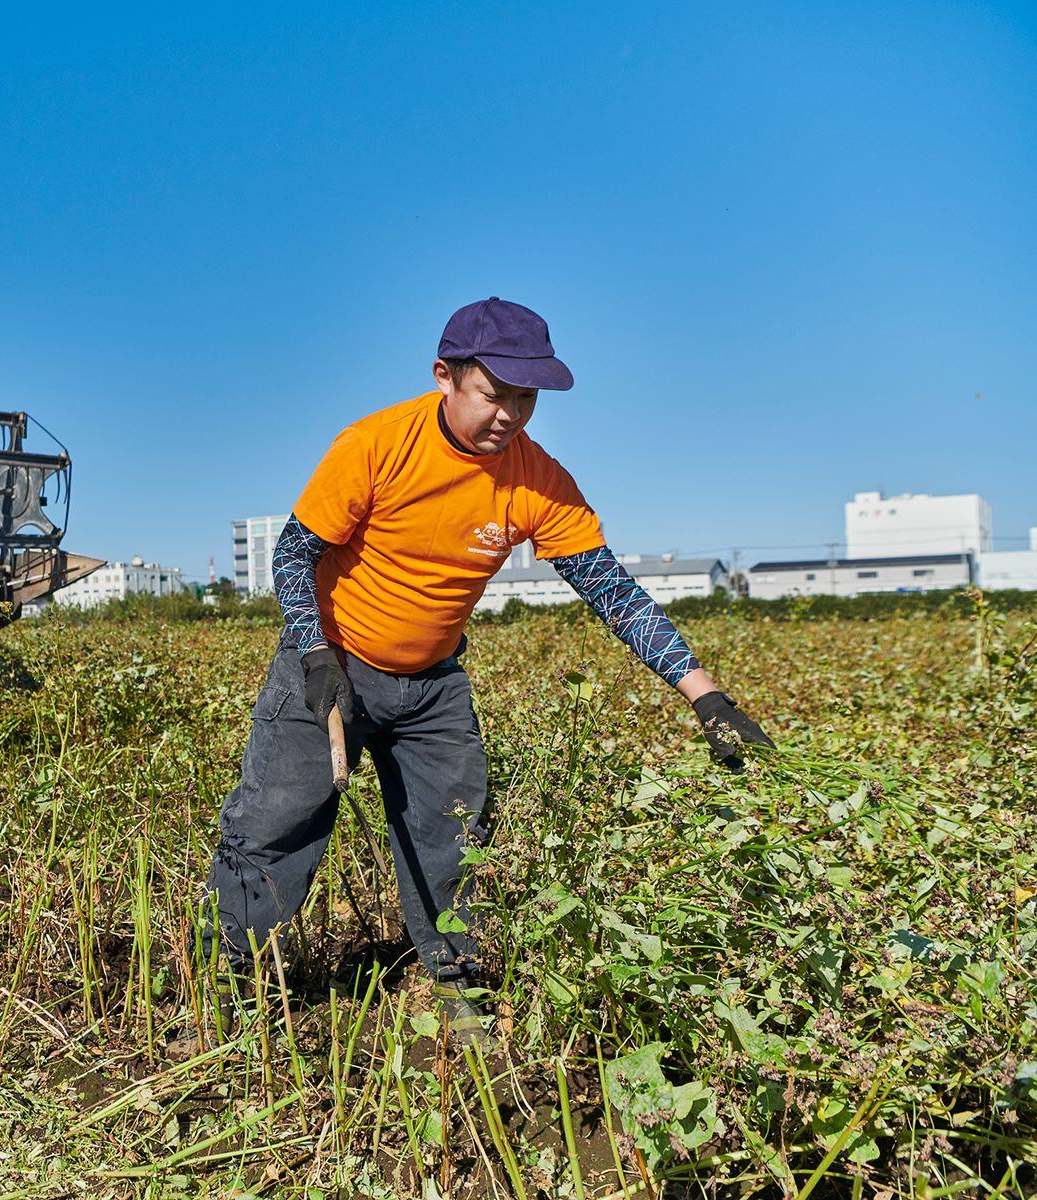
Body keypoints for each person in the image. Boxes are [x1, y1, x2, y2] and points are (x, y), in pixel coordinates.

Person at [202, 297, 772, 1042]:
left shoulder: (537, 480)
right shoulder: (376, 445)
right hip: (330, 666)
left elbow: (613, 592)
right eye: (495, 394)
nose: (510, 414)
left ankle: (450, 985)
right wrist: (313, 653)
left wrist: (706, 696)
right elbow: (293, 555)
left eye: (526, 399)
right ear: (446, 376)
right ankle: (225, 991)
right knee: (276, 825)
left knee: (454, 835)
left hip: (433, 685)